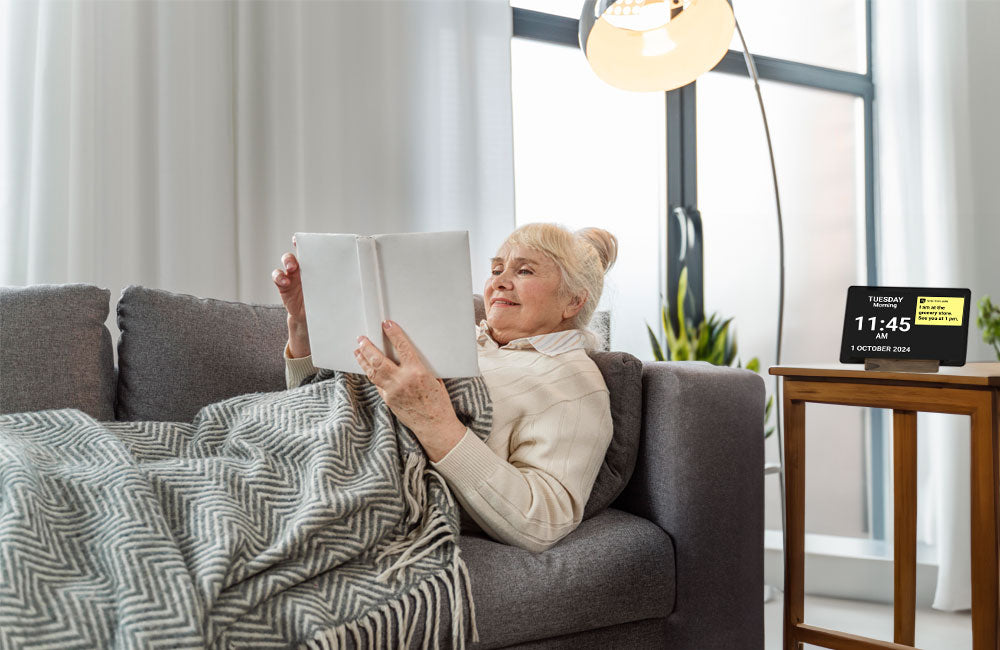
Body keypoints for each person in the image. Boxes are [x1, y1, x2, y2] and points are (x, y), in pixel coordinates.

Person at [271, 223, 617, 553]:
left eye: (523, 271)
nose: (500, 282)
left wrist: (433, 421)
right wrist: (303, 327)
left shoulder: (574, 383)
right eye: (496, 270)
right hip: (307, 453)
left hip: (364, 483)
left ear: (573, 301)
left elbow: (543, 521)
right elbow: (317, 410)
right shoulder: (454, 337)